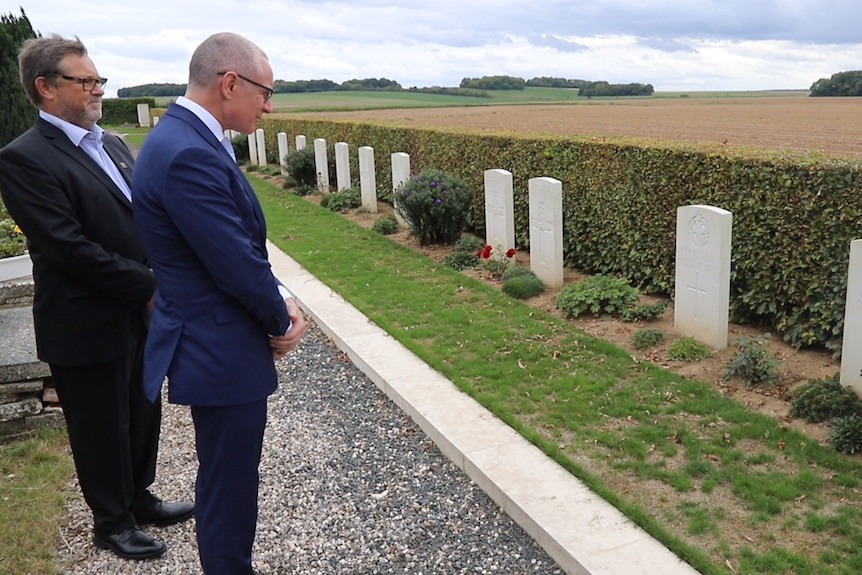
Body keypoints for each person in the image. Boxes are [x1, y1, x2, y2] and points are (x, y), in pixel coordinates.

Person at [0, 35, 194, 560]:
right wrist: (151, 287)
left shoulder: (110, 143)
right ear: (45, 87)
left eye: (98, 80)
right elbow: (67, 247)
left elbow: (143, 215)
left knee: (142, 407)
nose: (97, 90)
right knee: (101, 424)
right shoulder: (23, 159)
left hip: (137, 312)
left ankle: (138, 496)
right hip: (85, 319)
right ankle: (111, 521)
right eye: (84, 81)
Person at [131, 32, 308, 575]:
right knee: (229, 488)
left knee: (225, 479)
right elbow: (232, 260)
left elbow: (227, 244)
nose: (269, 105)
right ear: (230, 82)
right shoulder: (186, 151)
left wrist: (279, 292)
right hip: (219, 346)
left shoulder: (186, 137)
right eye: (264, 92)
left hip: (216, 339)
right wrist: (281, 321)